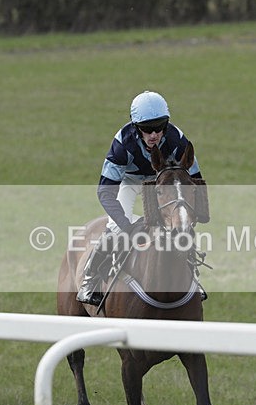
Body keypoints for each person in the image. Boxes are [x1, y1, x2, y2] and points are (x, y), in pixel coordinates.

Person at [77, 91, 205, 305]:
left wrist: (193, 212)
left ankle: (193, 277)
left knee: (180, 224)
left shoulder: (177, 139)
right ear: (136, 127)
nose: (154, 134)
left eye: (159, 127)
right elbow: (105, 191)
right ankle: (89, 280)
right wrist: (126, 226)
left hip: (161, 181)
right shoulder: (122, 143)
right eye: (147, 129)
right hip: (129, 181)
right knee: (115, 229)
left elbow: (196, 181)